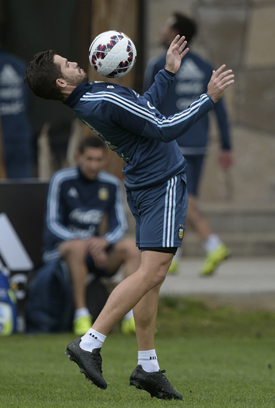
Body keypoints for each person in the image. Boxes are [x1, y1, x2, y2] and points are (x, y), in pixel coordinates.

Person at [24, 35, 234, 400]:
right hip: (162, 183)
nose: (75, 63)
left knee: (152, 278)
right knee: (151, 272)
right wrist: (208, 98)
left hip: (145, 184)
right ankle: (90, 342)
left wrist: (167, 74)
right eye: (66, 64)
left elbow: (144, 111)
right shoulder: (101, 97)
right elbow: (163, 128)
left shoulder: (93, 97)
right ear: (61, 82)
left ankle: (148, 366)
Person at [143, 12, 232, 276]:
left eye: (165, 26)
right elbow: (221, 108)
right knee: (183, 198)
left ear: (175, 34)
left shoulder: (159, 64)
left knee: (183, 198)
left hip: (172, 143)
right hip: (199, 144)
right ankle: (175, 257)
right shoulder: (205, 66)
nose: (161, 30)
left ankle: (213, 244)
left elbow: (148, 106)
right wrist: (226, 145)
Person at [42, 135, 140, 336]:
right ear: (78, 156)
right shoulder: (62, 179)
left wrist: (104, 241)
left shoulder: (111, 183)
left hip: (97, 251)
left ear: (105, 160)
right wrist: (87, 243)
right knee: (77, 247)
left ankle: (131, 315)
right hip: (63, 251)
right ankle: (81, 315)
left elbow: (120, 224)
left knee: (132, 247)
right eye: (89, 159)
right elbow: (52, 223)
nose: (94, 165)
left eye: (98, 160)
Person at [0, 19, 33, 178]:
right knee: (19, 192)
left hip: (12, 137)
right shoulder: (19, 66)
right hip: (19, 136)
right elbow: (28, 104)